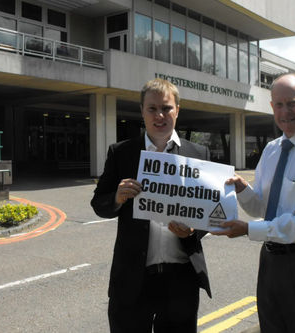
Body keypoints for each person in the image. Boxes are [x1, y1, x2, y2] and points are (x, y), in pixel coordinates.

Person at [212, 73, 295, 332]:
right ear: (272, 107)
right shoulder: (272, 150)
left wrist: (248, 230)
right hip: (271, 261)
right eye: (279, 105)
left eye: (293, 103)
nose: (286, 112)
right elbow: (262, 207)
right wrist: (242, 189)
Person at [90, 78, 211, 333]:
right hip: (134, 280)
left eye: (166, 108)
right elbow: (99, 203)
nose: (160, 115)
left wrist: (192, 231)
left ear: (177, 110)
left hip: (181, 279)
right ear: (142, 112)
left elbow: (209, 213)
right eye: (152, 108)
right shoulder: (121, 152)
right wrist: (117, 198)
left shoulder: (199, 154)